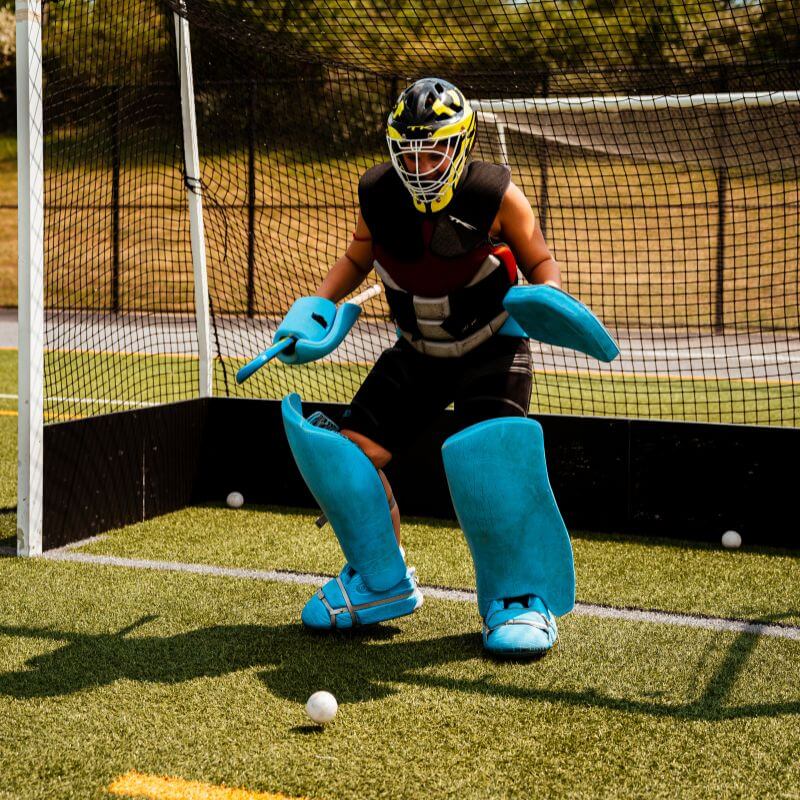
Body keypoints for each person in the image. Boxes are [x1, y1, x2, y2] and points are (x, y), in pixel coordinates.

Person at [277, 77, 588, 657]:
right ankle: (379, 582)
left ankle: (519, 598)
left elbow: (540, 260)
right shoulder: (377, 193)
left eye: (433, 149)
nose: (419, 164)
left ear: (460, 144)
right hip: (416, 353)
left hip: (493, 349)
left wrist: (548, 297)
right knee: (346, 459)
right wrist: (317, 311)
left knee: (491, 460)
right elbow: (356, 257)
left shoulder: (497, 195)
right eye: (408, 152)